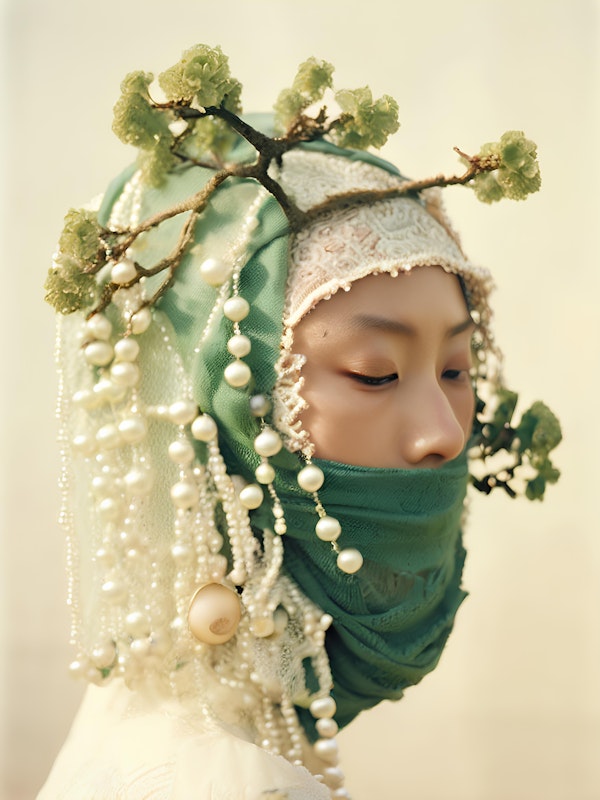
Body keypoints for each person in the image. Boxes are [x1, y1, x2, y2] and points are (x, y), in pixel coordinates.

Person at [38, 46, 560, 799]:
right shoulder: (213, 779)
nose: (444, 433)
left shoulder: (203, 742)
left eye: (455, 370)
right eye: (374, 372)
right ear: (209, 408)